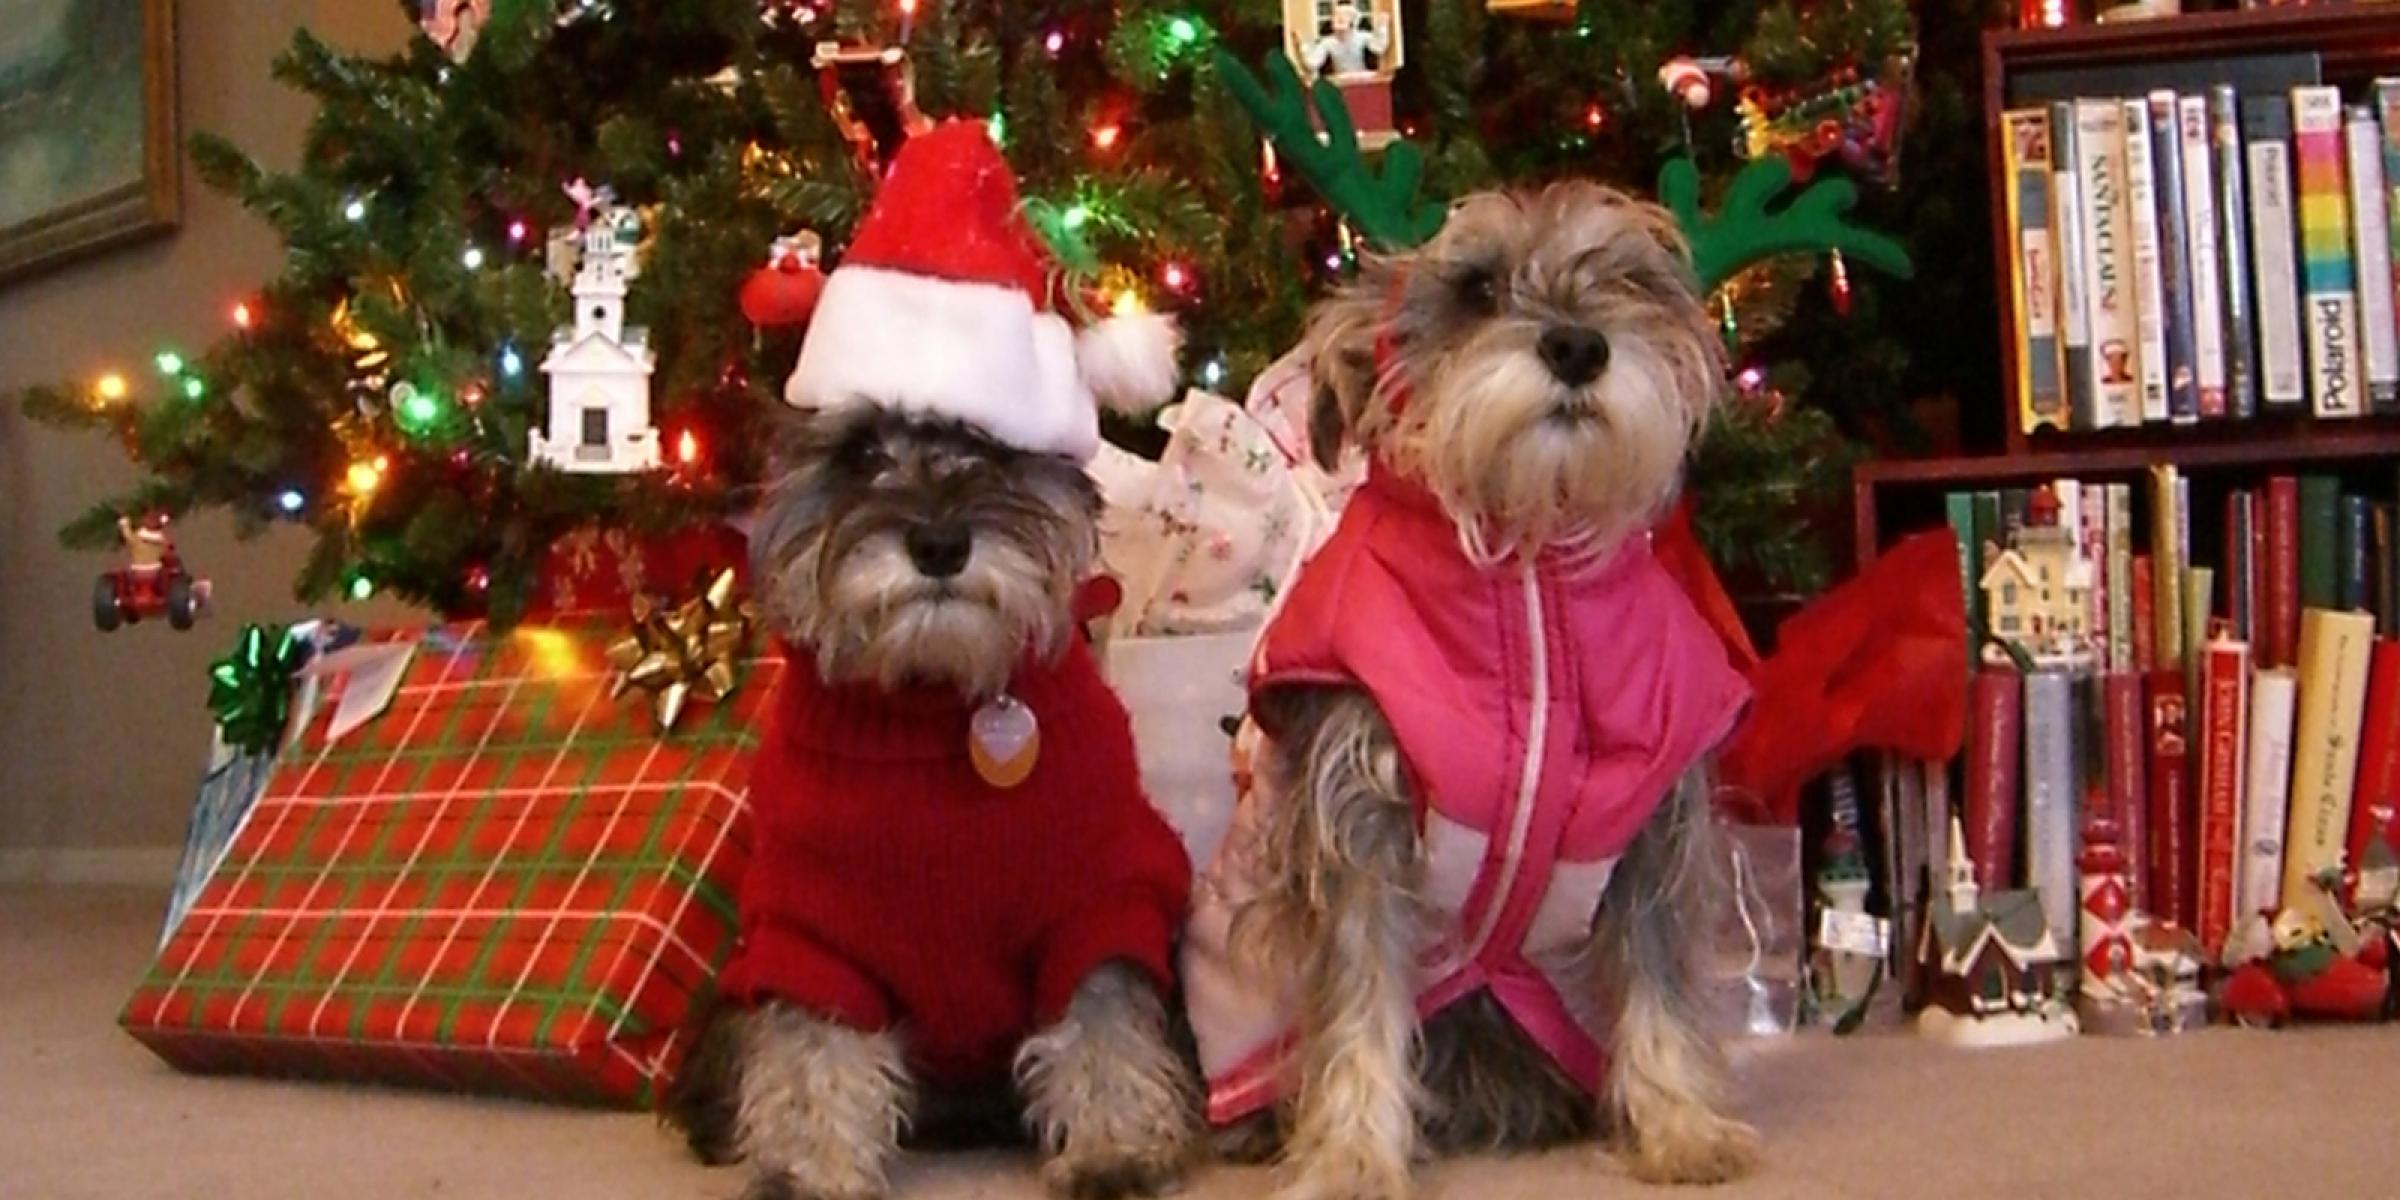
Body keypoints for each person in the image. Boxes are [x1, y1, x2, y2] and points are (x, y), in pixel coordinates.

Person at [1302, 2, 1388, 79]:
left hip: (1361, 78)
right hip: (1341, 79)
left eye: (1344, 17)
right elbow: (1313, 62)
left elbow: (1378, 47)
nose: (1339, 19)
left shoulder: (1362, 37)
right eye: (1336, 17)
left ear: (1352, 21)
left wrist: (1382, 26)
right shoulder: (1328, 42)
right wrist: (1304, 45)